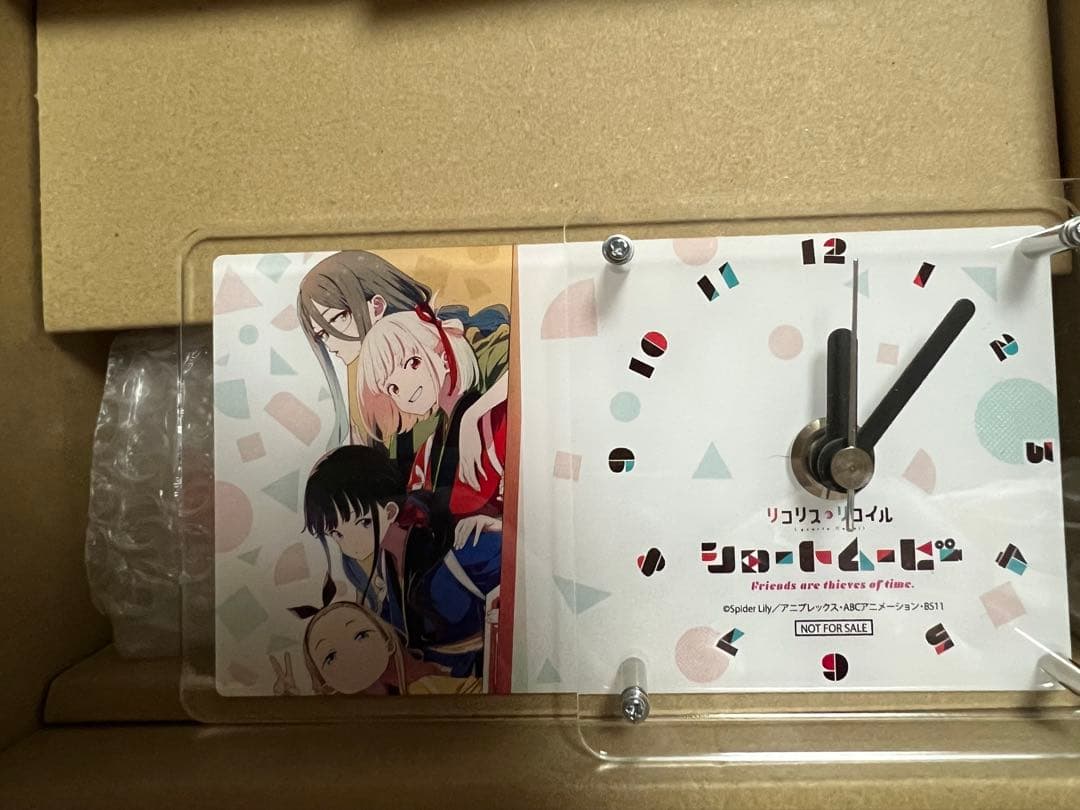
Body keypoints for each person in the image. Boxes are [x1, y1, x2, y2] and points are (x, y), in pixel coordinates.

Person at [297, 251, 509, 493]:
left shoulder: (462, 339)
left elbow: (522, 371)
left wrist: (473, 417)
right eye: (321, 335)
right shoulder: (383, 399)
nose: (330, 343)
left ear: (377, 306)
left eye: (336, 319)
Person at [302, 444, 501, 681]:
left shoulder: (450, 544)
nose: (350, 544)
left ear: (389, 512)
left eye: (363, 522)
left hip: (484, 669)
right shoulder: (372, 567)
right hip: (436, 682)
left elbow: (516, 569)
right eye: (337, 534)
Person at [355, 309, 507, 545]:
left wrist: (496, 524)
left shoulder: (494, 419)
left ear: (444, 357)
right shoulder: (426, 453)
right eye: (393, 388)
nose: (404, 389)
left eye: (413, 363)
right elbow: (413, 517)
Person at [286, 585, 481, 695]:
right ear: (326, 684)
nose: (351, 654)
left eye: (360, 635)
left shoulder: (426, 688)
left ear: (388, 642)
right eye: (330, 656)